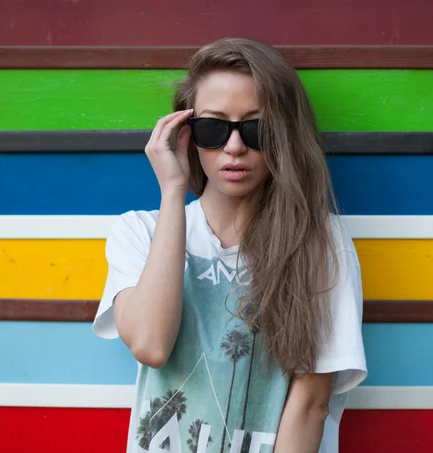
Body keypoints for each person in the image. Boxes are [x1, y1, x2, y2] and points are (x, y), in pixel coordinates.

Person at [92, 37, 367, 453]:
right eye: (213, 128)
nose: (234, 147)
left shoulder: (318, 241)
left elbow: (312, 403)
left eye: (257, 128)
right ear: (186, 134)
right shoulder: (140, 232)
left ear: (284, 135)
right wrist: (172, 190)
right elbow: (151, 345)